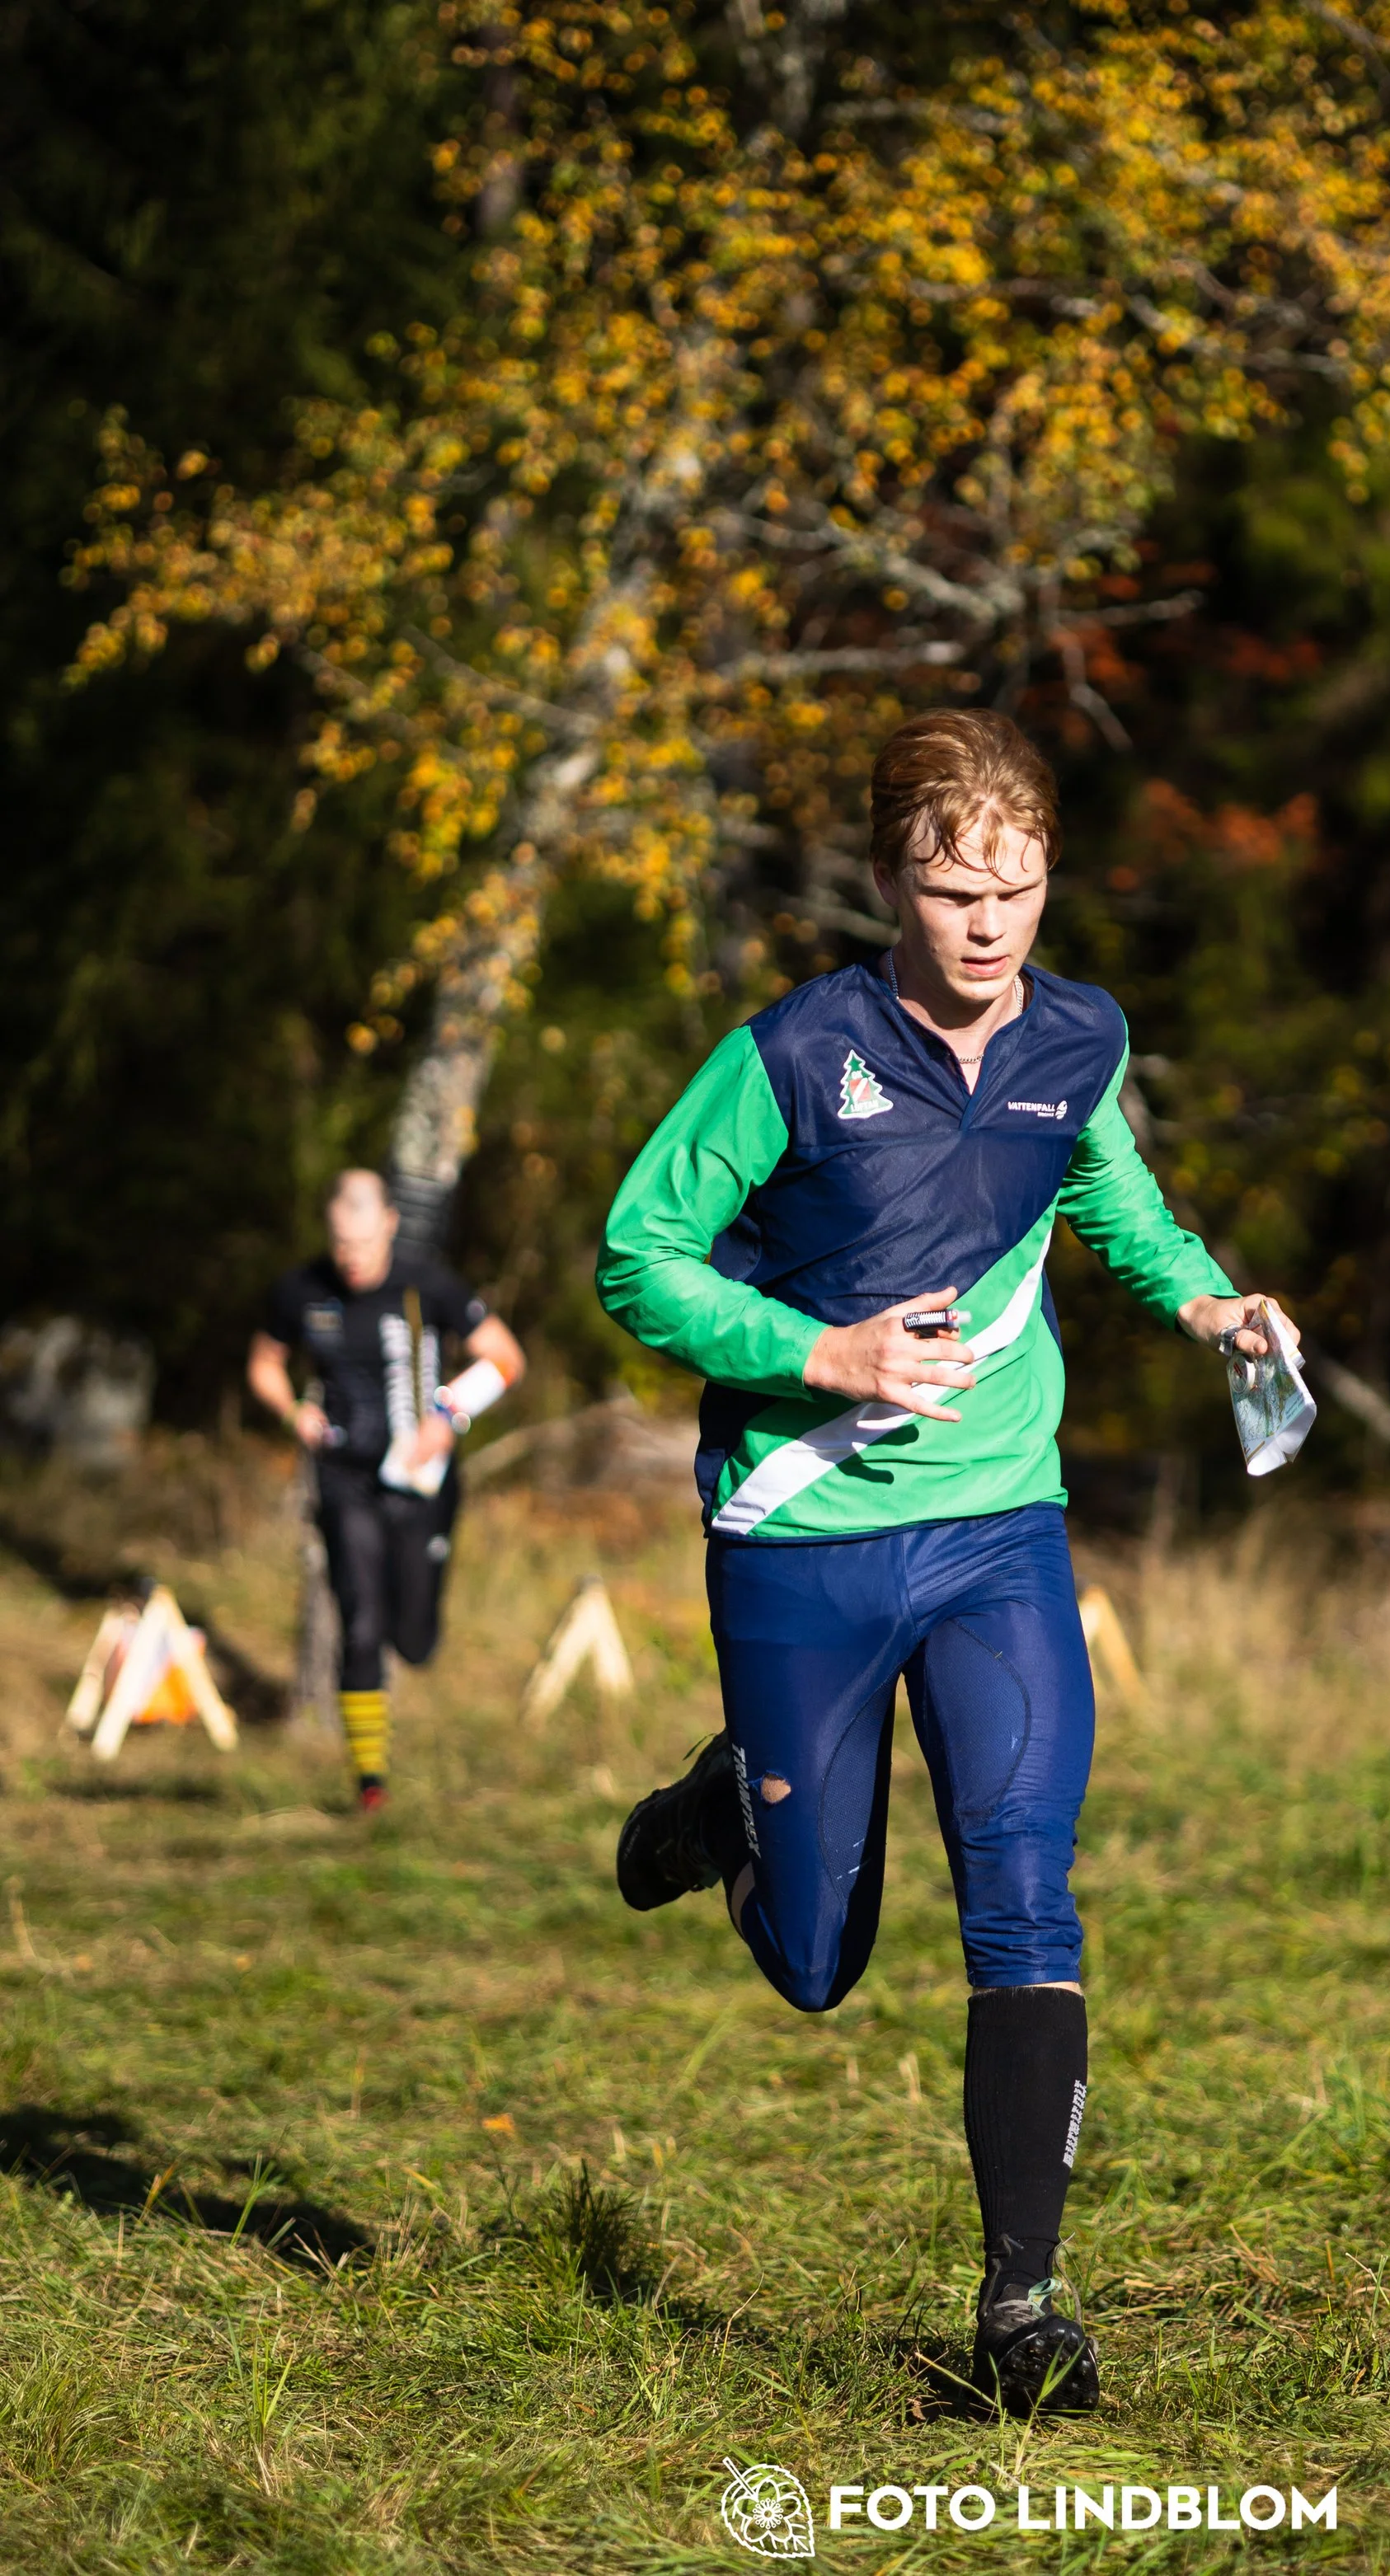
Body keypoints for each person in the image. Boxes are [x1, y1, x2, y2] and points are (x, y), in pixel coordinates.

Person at [596, 709, 1298, 2416]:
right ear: (890, 878)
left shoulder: (1079, 1036)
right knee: (821, 1959)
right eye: (952, 887)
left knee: (1023, 1888)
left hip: (998, 1526)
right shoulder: (788, 1052)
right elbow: (638, 1255)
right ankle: (730, 1812)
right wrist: (818, 1353)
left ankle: (1023, 2305)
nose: (988, 923)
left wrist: (1206, 1296)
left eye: (1019, 886)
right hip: (800, 1528)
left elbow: (1105, 1191)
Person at [248, 1171, 526, 1810]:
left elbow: (507, 1357)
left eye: (365, 1245)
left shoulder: (427, 1283)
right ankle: (370, 1784)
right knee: (360, 1622)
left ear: (390, 1226)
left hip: (422, 1480)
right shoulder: (301, 1289)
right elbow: (263, 1363)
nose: (353, 1260)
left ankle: (417, 1632)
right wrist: (293, 1411)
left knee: (415, 1641)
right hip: (344, 1476)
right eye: (342, 1246)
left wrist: (449, 1414)